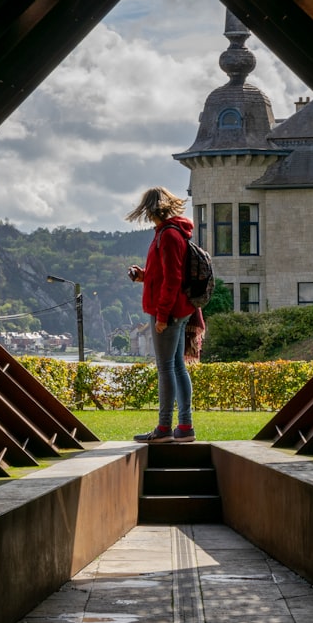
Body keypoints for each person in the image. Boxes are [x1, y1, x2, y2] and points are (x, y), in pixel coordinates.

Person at [126, 187, 196, 443]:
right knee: (177, 367)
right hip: (179, 309)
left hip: (169, 311)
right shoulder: (174, 233)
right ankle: (185, 427)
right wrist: (144, 275)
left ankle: (165, 428)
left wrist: (163, 315)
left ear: (150, 210)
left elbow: (173, 279)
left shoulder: (167, 236)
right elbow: (166, 274)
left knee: (166, 368)